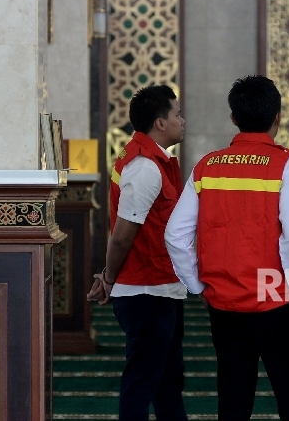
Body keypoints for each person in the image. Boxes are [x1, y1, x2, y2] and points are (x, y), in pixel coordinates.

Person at [165, 75, 289, 421]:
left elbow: (175, 234)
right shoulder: (286, 165)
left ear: (233, 117)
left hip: (225, 306)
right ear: (277, 116)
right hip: (277, 304)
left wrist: (197, 285)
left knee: (233, 403)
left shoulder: (207, 166)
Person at [86, 84, 188, 421]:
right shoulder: (144, 168)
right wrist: (109, 278)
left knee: (168, 382)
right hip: (147, 292)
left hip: (160, 288)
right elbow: (121, 236)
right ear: (160, 122)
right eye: (177, 115)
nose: (182, 120)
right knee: (143, 383)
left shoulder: (156, 161)